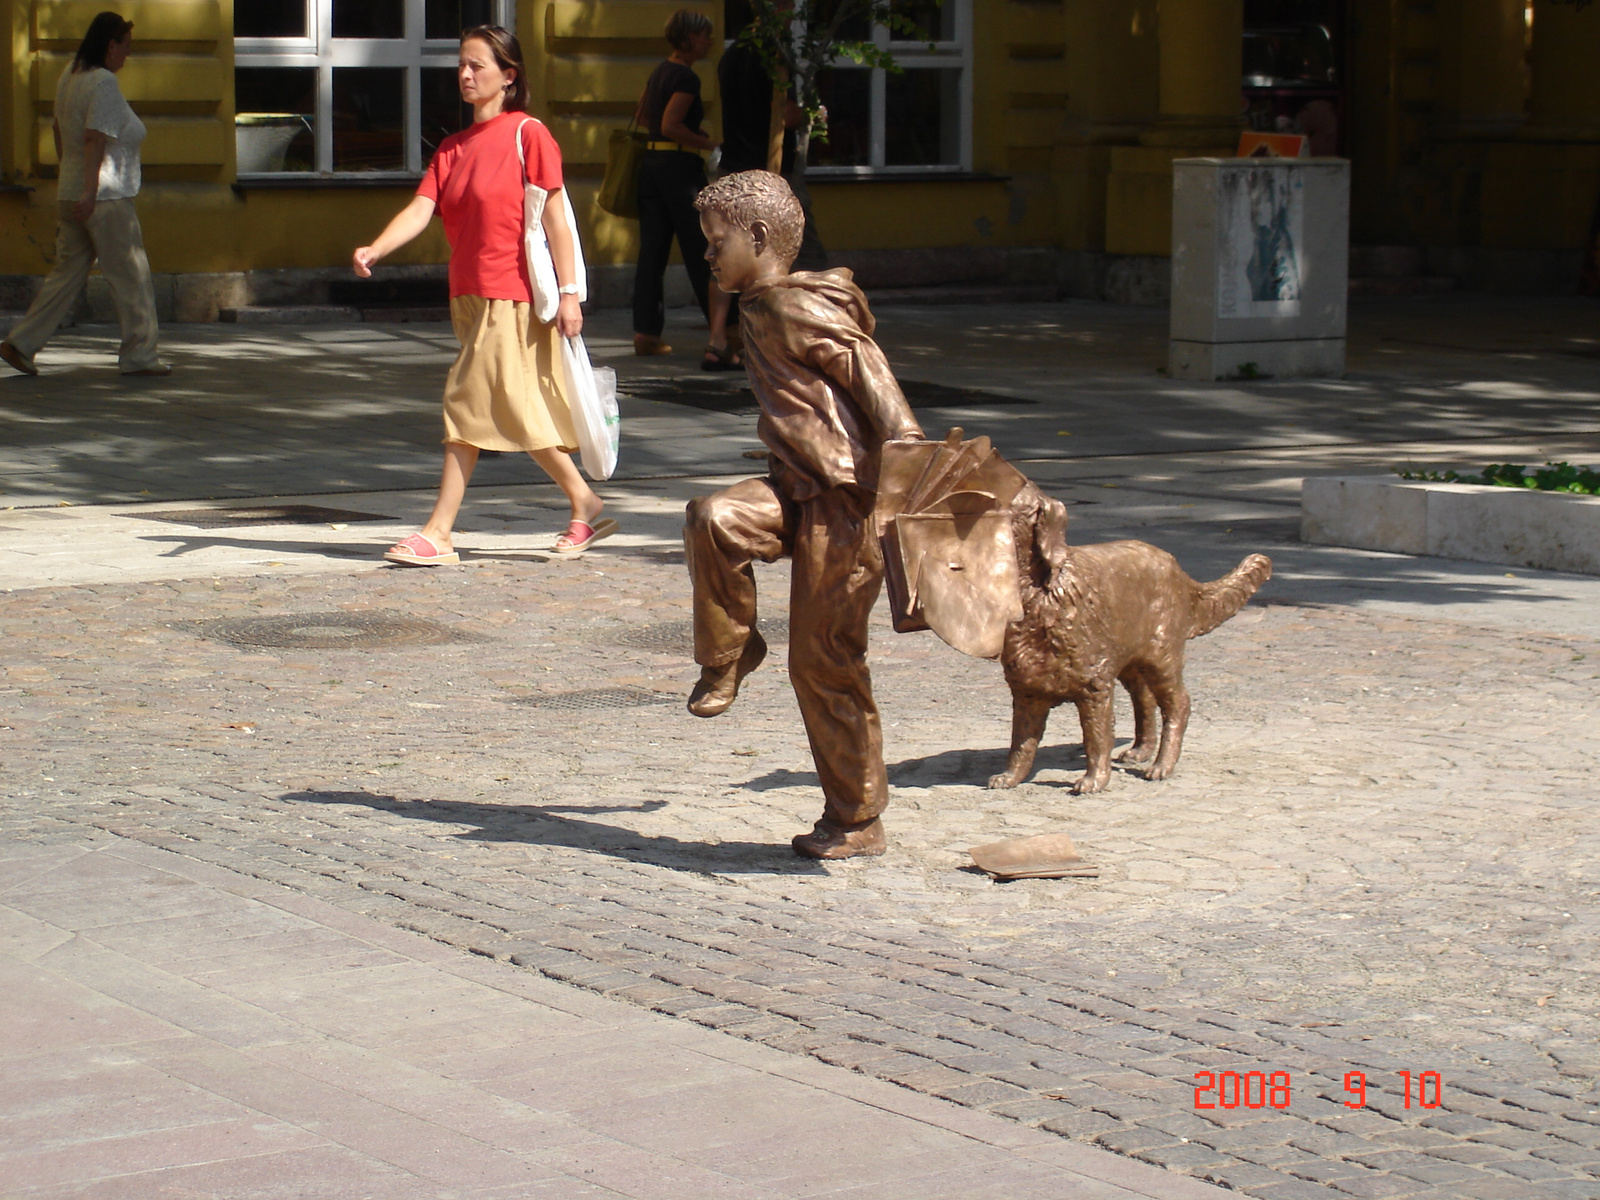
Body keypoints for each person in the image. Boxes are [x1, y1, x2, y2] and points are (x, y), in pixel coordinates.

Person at [684, 171, 924, 860]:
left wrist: (905, 459)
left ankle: (857, 818)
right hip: (795, 490)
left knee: (823, 661)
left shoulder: (796, 306)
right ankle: (731, 652)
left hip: (846, 505)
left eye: (716, 242)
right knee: (714, 518)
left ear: (757, 239)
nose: (706, 256)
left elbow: (869, 373)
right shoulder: (757, 306)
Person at [352, 24, 612, 565]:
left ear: (509, 76)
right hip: (467, 295)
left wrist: (569, 294)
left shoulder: (528, 134)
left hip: (512, 293)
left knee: (465, 401)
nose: (466, 75)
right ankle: (584, 501)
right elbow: (423, 208)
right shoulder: (452, 147)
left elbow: (558, 220)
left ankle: (439, 531)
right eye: (462, 66)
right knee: (513, 409)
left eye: (479, 66)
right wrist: (377, 247)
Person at [1, 11, 169, 378]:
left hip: (72, 191)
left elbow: (60, 129)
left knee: (66, 275)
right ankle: (140, 355)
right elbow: (94, 138)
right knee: (131, 276)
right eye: (125, 47)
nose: (128, 55)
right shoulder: (103, 82)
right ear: (111, 45)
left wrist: (72, 178)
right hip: (105, 196)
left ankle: (21, 343)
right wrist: (92, 191)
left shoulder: (70, 76)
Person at [631, 9, 740, 369]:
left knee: (652, 252)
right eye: (705, 35)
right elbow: (670, 124)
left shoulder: (660, 70)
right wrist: (707, 144)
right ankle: (722, 334)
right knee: (702, 251)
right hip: (679, 171)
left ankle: (646, 333)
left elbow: (645, 117)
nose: (709, 41)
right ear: (690, 38)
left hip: (650, 168)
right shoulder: (686, 78)